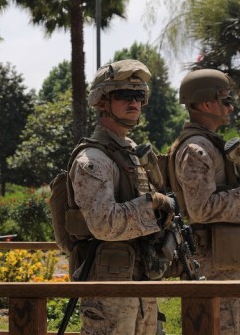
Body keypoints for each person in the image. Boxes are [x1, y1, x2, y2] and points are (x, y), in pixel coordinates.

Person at [65, 59, 176, 334]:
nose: (134, 102)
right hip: (109, 289)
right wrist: (154, 205)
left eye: (139, 96)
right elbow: (104, 224)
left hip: (140, 282)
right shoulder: (93, 160)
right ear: (102, 101)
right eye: (124, 95)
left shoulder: (132, 153)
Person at [169, 68, 240, 335]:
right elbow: (199, 208)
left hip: (225, 261)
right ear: (206, 104)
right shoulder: (196, 150)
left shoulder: (210, 144)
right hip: (213, 266)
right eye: (226, 101)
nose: (231, 108)